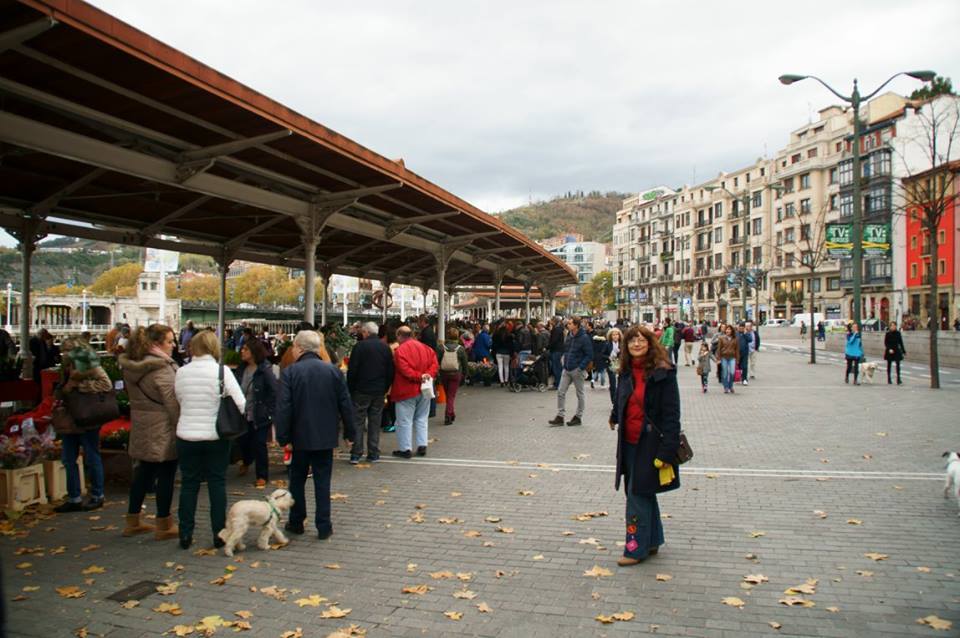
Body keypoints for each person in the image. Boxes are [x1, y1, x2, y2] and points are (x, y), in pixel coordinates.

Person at [607, 325, 679, 566]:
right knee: (642, 490)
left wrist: (667, 451)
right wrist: (615, 415)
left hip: (651, 443)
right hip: (628, 441)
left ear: (650, 343)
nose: (636, 344)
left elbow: (672, 415)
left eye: (641, 340)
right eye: (631, 342)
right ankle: (652, 540)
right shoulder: (625, 371)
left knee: (637, 494)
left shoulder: (663, 372)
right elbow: (622, 398)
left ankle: (634, 548)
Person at [276, 330, 354, 540]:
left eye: (293, 347)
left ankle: (296, 521)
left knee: (297, 480)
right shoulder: (333, 371)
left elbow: (284, 408)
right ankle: (324, 525)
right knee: (322, 481)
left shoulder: (290, 373)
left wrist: (283, 437)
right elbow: (345, 404)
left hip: (298, 437)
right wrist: (350, 432)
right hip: (325, 436)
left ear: (300, 348)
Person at [174, 330, 245, 550]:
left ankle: (185, 533)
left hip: (186, 434)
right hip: (215, 435)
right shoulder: (221, 372)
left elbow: (179, 399)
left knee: (189, 484)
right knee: (217, 483)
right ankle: (218, 533)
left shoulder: (182, 372)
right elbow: (241, 403)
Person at [119, 324, 180, 539]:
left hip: (142, 423)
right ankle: (164, 523)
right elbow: (172, 403)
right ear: (156, 343)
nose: (173, 345)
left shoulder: (132, 366)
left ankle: (132, 519)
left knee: (143, 472)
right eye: (169, 341)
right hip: (162, 426)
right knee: (166, 473)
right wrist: (179, 426)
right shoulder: (162, 369)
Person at [52, 339, 108, 513]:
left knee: (91, 457)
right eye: (64, 351)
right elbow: (62, 389)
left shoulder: (91, 364)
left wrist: (80, 385)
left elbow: (106, 385)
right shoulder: (66, 366)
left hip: (87, 416)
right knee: (68, 459)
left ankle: (97, 495)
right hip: (70, 417)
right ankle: (74, 497)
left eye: (68, 350)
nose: (66, 354)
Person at [346, 321, 394, 463]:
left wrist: (351, 388)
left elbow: (352, 370)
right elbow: (390, 370)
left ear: (366, 332)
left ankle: (356, 453)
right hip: (378, 390)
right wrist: (385, 387)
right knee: (375, 421)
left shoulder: (359, 347)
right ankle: (373, 452)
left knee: (358, 421)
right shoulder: (385, 348)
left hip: (361, 389)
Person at [234, 338, 278, 486]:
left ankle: (262, 475)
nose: (242, 351)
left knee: (259, 444)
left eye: (245, 349)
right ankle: (246, 461)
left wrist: (269, 411)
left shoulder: (264, 370)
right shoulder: (241, 369)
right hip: (244, 412)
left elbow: (274, 391)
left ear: (253, 352)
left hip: (260, 413)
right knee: (244, 441)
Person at [389, 326, 438, 458]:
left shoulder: (400, 351)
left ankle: (405, 449)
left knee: (404, 420)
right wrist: (427, 375)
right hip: (425, 389)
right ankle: (422, 445)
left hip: (406, 390)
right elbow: (434, 364)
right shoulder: (427, 349)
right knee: (422, 418)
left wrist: (419, 376)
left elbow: (405, 370)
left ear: (399, 336)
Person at [548, 316, 592, 427]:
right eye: (568, 323)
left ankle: (578, 416)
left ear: (576, 325)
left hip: (577, 369)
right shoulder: (569, 335)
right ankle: (560, 415)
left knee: (580, 393)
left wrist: (581, 367)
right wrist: (564, 357)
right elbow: (566, 348)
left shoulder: (584, 338)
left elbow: (589, 355)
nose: (568, 325)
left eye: (570, 323)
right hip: (567, 368)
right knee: (560, 391)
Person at [438, 327, 469, 425]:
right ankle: (448, 414)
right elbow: (465, 363)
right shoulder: (460, 349)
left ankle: (451, 413)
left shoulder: (441, 347)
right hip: (456, 374)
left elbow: (436, 360)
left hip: (444, 373)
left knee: (448, 395)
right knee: (451, 395)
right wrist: (465, 374)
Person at [715, 324, 740, 394]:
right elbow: (719, 349)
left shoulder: (735, 339)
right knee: (725, 373)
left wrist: (737, 359)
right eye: (727, 329)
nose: (728, 330)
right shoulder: (721, 338)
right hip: (724, 357)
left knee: (732, 372)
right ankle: (726, 387)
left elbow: (737, 350)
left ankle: (730, 386)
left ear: (732, 331)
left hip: (732, 357)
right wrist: (718, 358)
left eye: (729, 329)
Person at [605, 328, 622, 406]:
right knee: (613, 383)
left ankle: (620, 400)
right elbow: (602, 354)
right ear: (610, 336)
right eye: (613, 335)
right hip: (611, 365)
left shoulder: (622, 344)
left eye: (617, 334)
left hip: (620, 365)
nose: (615, 336)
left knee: (621, 383)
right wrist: (608, 357)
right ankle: (614, 402)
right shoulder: (607, 344)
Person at [548, 318, 565, 390]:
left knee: (556, 367)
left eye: (551, 321)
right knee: (558, 367)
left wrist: (548, 347)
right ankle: (559, 383)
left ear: (554, 322)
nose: (550, 322)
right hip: (559, 350)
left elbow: (553, 341)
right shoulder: (559, 329)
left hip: (556, 350)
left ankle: (558, 384)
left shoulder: (556, 330)